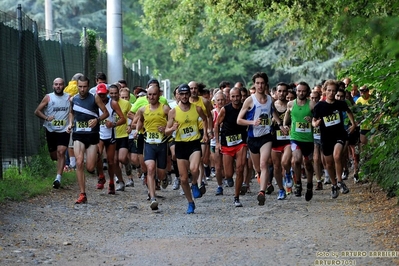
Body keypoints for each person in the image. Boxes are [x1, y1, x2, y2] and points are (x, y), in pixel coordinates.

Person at [237, 72, 286, 206]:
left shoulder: (270, 99)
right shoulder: (250, 100)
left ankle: (261, 192)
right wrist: (253, 123)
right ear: (254, 84)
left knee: (264, 164)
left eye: (262, 83)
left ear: (266, 84)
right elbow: (239, 120)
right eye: (257, 83)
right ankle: (267, 182)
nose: (260, 85)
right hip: (253, 137)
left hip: (266, 136)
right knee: (258, 168)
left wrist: (280, 124)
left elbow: (273, 112)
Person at [165, 84, 208, 214]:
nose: (184, 96)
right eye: (181, 94)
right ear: (178, 95)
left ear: (189, 95)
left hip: (194, 143)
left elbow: (205, 120)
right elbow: (167, 131)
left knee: (194, 168)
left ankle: (194, 183)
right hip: (180, 144)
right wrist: (172, 129)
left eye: (186, 94)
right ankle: (190, 202)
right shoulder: (173, 111)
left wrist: (205, 133)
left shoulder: (197, 108)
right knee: (183, 179)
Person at [67, 75, 109, 204]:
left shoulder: (95, 97)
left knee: (90, 167)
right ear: (77, 86)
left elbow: (105, 113)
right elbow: (71, 113)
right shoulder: (73, 99)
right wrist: (70, 123)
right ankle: (82, 194)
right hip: (78, 134)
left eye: (85, 87)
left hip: (92, 135)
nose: (82, 89)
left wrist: (97, 120)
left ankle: (98, 164)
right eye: (80, 86)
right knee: (79, 162)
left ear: (88, 86)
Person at [312, 80, 356, 198]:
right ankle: (334, 184)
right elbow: (314, 120)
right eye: (329, 90)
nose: (331, 93)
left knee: (337, 156)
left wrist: (353, 124)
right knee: (329, 163)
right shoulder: (319, 106)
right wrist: (315, 124)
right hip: (326, 137)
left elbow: (349, 111)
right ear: (324, 91)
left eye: (333, 91)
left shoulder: (340, 103)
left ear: (336, 92)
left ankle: (340, 181)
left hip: (339, 134)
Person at [136, 85, 171, 210]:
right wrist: (136, 130)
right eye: (149, 95)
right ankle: (152, 198)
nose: (151, 97)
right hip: (149, 143)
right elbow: (140, 120)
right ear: (147, 96)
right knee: (150, 168)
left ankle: (164, 177)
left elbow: (173, 122)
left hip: (161, 144)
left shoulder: (165, 109)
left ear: (159, 95)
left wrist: (166, 128)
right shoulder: (142, 109)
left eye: (154, 94)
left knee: (160, 174)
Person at [34, 77, 70, 189]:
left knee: (61, 152)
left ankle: (58, 178)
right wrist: (46, 117)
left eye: (60, 84)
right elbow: (37, 111)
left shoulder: (69, 98)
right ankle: (58, 169)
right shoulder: (48, 97)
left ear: (64, 86)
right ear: (53, 86)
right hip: (51, 130)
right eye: (56, 84)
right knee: (54, 156)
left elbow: (73, 111)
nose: (58, 86)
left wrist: (71, 123)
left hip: (64, 130)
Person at [215, 87, 248, 207]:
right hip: (227, 143)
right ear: (230, 97)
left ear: (241, 96)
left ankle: (236, 197)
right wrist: (217, 142)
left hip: (241, 142)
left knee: (240, 169)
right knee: (228, 174)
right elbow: (216, 125)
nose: (235, 99)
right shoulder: (225, 110)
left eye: (237, 96)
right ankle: (229, 177)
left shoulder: (245, 108)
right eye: (233, 96)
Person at [283, 81, 316, 201]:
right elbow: (287, 115)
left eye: (303, 91)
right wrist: (285, 125)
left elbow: (318, 120)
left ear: (307, 92)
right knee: (296, 160)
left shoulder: (312, 105)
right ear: (296, 91)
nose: (301, 93)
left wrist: (312, 119)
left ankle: (309, 184)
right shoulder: (291, 104)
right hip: (295, 138)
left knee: (307, 164)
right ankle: (298, 184)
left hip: (308, 139)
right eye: (299, 91)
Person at [93, 84, 126, 194]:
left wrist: (113, 124)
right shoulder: (94, 102)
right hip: (98, 134)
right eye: (99, 94)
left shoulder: (113, 103)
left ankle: (111, 182)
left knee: (111, 162)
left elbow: (123, 119)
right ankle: (101, 176)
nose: (101, 97)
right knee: (97, 155)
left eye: (103, 94)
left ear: (106, 93)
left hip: (110, 135)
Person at [189, 81, 213, 192]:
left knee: (201, 158)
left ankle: (199, 183)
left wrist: (209, 130)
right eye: (191, 88)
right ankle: (199, 180)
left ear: (198, 90)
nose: (193, 90)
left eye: (195, 88)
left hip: (202, 131)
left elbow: (209, 116)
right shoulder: (185, 102)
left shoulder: (205, 102)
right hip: (191, 133)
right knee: (196, 159)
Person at [271, 82, 292, 200]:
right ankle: (281, 189)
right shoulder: (271, 106)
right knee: (277, 167)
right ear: (275, 92)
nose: (282, 93)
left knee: (285, 162)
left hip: (288, 139)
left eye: (284, 91)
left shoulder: (291, 105)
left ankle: (288, 173)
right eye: (279, 91)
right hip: (275, 139)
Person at [108, 84, 132, 191]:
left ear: (119, 93)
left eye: (115, 93)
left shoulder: (126, 104)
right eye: (111, 93)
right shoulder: (106, 104)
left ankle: (127, 164)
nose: (113, 95)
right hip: (111, 135)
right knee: (114, 161)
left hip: (123, 135)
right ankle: (121, 182)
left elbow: (133, 115)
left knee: (122, 158)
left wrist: (131, 126)